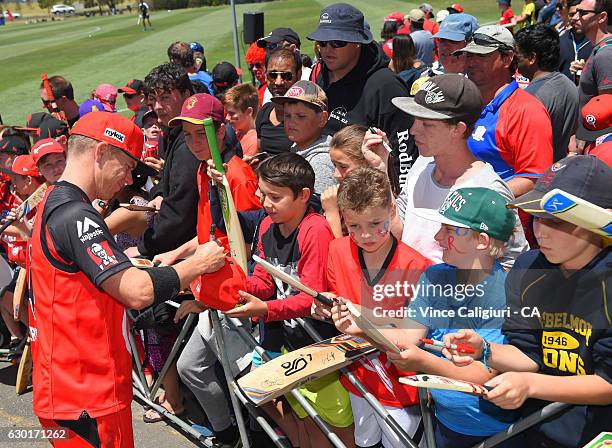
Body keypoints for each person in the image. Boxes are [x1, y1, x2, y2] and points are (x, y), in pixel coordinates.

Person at [28, 111, 225, 447]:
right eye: (129, 165)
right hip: (87, 393)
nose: (129, 178)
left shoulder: (56, 201)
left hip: (70, 387)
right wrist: (197, 264)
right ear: (102, 152)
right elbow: (136, 293)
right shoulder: (76, 214)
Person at [443, 155, 612, 448]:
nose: (541, 231)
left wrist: (531, 385)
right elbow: (529, 354)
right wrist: (486, 350)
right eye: (536, 216)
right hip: (533, 429)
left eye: (556, 220)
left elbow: (608, 382)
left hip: (594, 434)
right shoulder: (527, 269)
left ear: (596, 221)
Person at [225, 153, 352, 448]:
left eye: (275, 197)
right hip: (291, 343)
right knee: (305, 422)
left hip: (321, 347)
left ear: (304, 195)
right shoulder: (269, 226)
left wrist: (265, 309)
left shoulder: (315, 230)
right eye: (263, 194)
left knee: (338, 431)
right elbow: (265, 280)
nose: (265, 203)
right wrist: (235, 287)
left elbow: (312, 296)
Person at [383, 187, 520, 448]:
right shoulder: (435, 276)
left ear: (481, 241)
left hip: (496, 431)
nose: (436, 236)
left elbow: (482, 373)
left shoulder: (502, 293)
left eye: (448, 230)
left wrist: (421, 360)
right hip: (444, 422)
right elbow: (407, 338)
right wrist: (360, 323)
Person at [318, 167, 433, 448]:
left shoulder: (418, 267)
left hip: (402, 386)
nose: (366, 235)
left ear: (392, 210)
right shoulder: (337, 250)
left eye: (375, 223)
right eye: (354, 226)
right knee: (365, 441)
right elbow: (333, 295)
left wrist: (365, 323)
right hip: (357, 375)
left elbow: (416, 333)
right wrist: (322, 306)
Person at [393, 74, 529, 267]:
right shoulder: (421, 165)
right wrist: (381, 169)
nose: (414, 130)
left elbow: (512, 262)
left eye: (427, 124)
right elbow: (399, 228)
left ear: (458, 129)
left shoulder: (488, 190)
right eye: (415, 119)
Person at [308, 3, 419, 186]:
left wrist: (394, 203)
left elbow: (405, 157)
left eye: (337, 42)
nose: (327, 49)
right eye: (322, 42)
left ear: (358, 43)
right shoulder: (321, 76)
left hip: (369, 198)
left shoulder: (386, 87)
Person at [458, 25, 553, 199]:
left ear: (507, 58)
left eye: (482, 55)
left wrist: (479, 200)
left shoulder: (526, 110)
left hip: (501, 219)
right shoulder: (465, 103)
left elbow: (534, 178)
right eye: (469, 55)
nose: (471, 62)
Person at [131, 63, 198, 258]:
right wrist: (159, 195)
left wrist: (143, 247)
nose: (158, 107)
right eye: (154, 99)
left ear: (186, 95)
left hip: (188, 246)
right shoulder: (172, 131)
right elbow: (168, 180)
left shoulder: (190, 142)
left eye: (166, 98)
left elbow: (180, 212)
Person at [515, 24, 579, 161]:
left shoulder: (530, 98)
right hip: (557, 169)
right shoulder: (569, 85)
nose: (515, 62)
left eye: (518, 57)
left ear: (532, 58)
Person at [271, 80, 336, 194]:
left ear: (322, 119)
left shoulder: (320, 163)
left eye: (301, 116)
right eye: (287, 115)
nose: (291, 122)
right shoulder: (298, 146)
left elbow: (321, 208)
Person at [575, 0, 612, 146]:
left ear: (602, 17)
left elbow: (607, 108)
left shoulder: (606, 54)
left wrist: (582, 144)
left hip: (598, 144)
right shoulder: (599, 49)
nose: (575, 17)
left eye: (582, 13)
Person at [255, 48, 301, 155]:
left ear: (298, 75)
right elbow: (259, 154)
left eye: (286, 76)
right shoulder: (264, 112)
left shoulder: (306, 115)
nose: (278, 82)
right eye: (273, 75)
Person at [257, 27, 312, 104]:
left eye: (272, 47)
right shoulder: (271, 85)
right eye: (266, 48)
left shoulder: (311, 78)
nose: (268, 53)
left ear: (292, 48)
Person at [558, 0, 593, 83]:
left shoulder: (596, 43)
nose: (575, 18)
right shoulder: (559, 41)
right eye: (571, 14)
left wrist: (586, 70)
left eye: (581, 14)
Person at [223, 83, 259, 157]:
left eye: (231, 113)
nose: (227, 118)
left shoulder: (253, 141)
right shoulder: (236, 133)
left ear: (249, 112)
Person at [245, 42, 267, 106]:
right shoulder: (261, 87)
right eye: (252, 65)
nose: (254, 69)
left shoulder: (270, 88)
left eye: (258, 65)